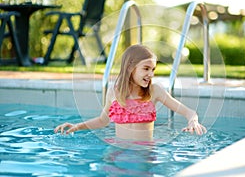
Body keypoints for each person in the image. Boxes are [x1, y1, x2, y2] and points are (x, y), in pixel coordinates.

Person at [54, 45, 207, 141]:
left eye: (153, 69)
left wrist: (193, 121)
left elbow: (189, 112)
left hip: (144, 156)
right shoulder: (114, 93)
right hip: (117, 153)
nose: (151, 74)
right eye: (146, 69)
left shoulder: (155, 91)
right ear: (130, 68)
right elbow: (102, 121)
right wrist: (77, 126)